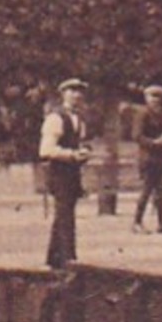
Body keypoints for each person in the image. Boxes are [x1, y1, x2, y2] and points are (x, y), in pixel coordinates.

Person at [39, 78, 92, 270]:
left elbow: (79, 143)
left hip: (72, 172)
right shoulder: (55, 118)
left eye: (80, 91)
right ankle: (69, 258)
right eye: (72, 91)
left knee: (65, 213)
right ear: (63, 93)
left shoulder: (79, 118)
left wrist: (84, 152)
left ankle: (54, 259)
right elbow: (46, 150)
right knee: (65, 216)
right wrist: (71, 155)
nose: (77, 95)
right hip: (58, 172)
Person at [131, 84, 162, 234]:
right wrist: (153, 142)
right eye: (152, 97)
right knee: (146, 190)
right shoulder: (142, 114)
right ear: (146, 98)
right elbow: (137, 136)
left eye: (158, 97)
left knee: (160, 191)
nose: (155, 100)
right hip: (148, 156)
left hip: (161, 157)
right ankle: (137, 222)